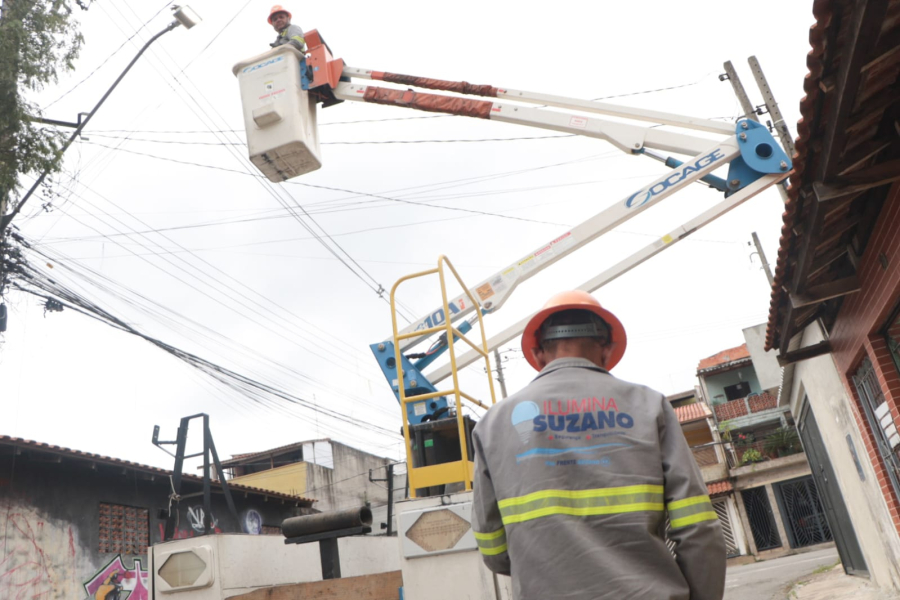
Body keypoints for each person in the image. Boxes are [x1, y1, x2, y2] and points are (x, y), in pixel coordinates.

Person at [471, 290, 725, 600]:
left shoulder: (492, 424)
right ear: (607, 349)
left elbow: (492, 545)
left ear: (538, 354)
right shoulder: (649, 406)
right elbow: (698, 527)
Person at [267, 5, 309, 90]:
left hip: (297, 67)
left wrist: (279, 51)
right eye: (275, 19)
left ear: (288, 18)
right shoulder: (278, 39)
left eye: (281, 17)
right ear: (273, 24)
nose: (278, 20)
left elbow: (297, 42)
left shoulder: (293, 28)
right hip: (285, 71)